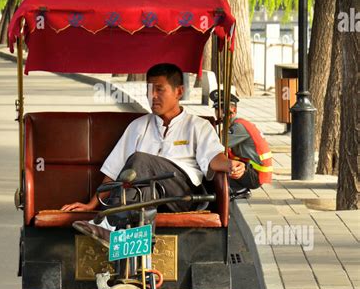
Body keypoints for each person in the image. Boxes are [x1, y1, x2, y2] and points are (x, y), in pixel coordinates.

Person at [61, 63, 245, 239]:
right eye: (149, 90)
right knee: (141, 189)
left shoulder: (198, 125)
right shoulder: (138, 126)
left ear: (179, 91)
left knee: (140, 160)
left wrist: (230, 164)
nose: (153, 96)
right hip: (148, 195)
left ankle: (107, 222)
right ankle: (134, 263)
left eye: (159, 89)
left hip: (183, 195)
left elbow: (213, 157)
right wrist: (91, 204)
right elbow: (113, 169)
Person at [209, 87, 273, 196]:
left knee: (214, 171)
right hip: (251, 169)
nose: (218, 112)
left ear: (233, 110)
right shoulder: (234, 125)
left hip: (254, 175)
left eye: (222, 108)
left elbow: (215, 145)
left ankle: (239, 189)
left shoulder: (239, 127)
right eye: (216, 108)